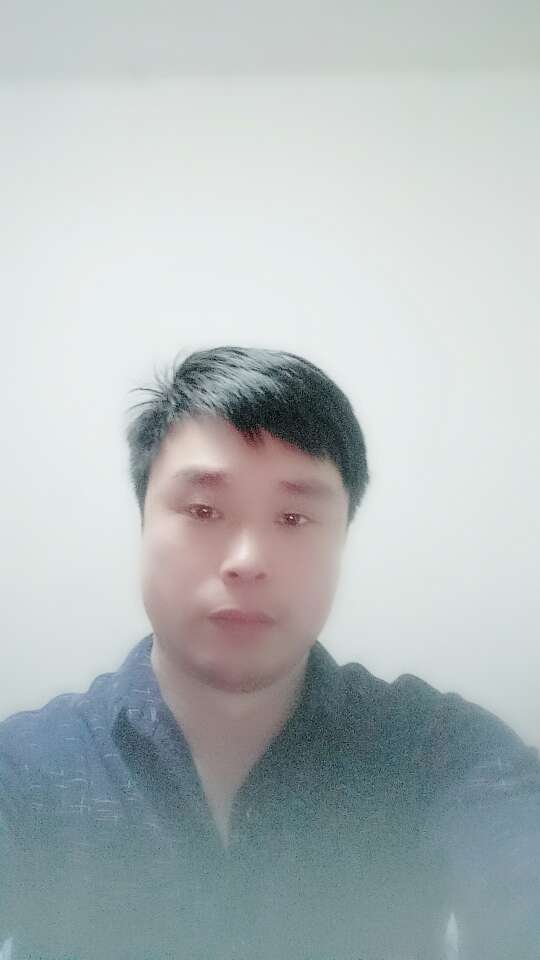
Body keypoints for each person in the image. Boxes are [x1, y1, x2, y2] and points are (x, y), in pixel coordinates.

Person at [0, 344, 538, 960]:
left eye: (293, 518)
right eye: (203, 510)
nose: (248, 560)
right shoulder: (25, 770)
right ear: (143, 523)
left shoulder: (442, 753)